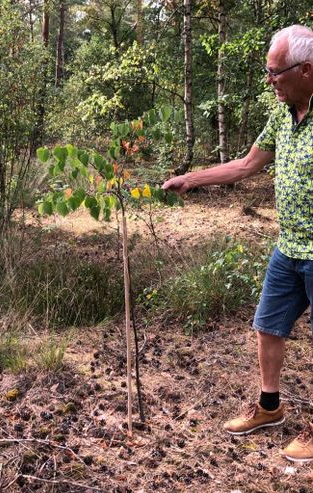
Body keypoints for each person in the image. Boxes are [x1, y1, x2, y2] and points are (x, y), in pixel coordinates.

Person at [163, 24, 313, 463]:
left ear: (306, 70)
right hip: (290, 248)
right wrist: (192, 179)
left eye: (275, 73)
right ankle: (269, 408)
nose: (269, 81)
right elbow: (246, 165)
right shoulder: (282, 114)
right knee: (268, 326)